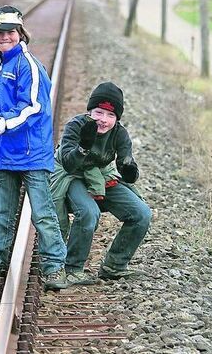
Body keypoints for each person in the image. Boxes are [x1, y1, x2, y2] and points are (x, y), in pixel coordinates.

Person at [0, 5, 68, 291]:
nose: (5, 37)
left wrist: (6, 123)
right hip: (4, 153)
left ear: (20, 33)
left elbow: (34, 106)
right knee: (1, 213)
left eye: (10, 32)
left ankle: (54, 267)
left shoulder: (29, 65)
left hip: (32, 153)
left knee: (43, 213)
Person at [51, 82, 152, 285]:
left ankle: (114, 266)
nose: (103, 120)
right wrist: (83, 147)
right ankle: (73, 268)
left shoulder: (120, 133)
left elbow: (126, 165)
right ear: (90, 111)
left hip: (101, 175)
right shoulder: (76, 126)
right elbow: (69, 164)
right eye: (99, 113)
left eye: (110, 115)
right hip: (72, 174)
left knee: (141, 214)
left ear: (117, 118)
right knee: (88, 212)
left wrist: (128, 168)